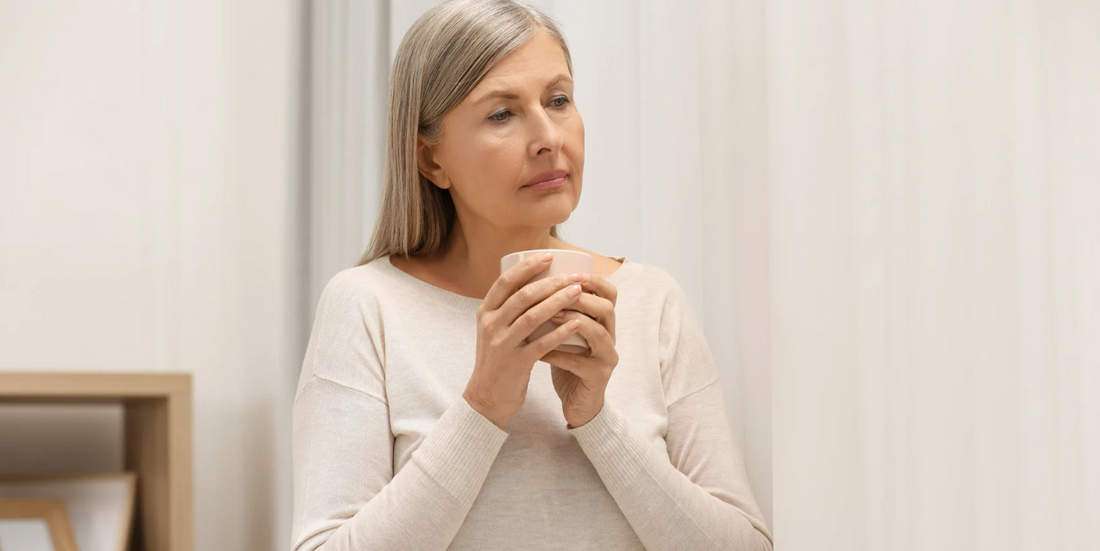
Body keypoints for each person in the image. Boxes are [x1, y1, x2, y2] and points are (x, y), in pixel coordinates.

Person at [290, 1, 773, 549]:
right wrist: (484, 405)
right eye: (502, 114)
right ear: (431, 160)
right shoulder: (367, 306)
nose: (548, 137)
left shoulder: (651, 300)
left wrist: (596, 420)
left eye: (559, 100)